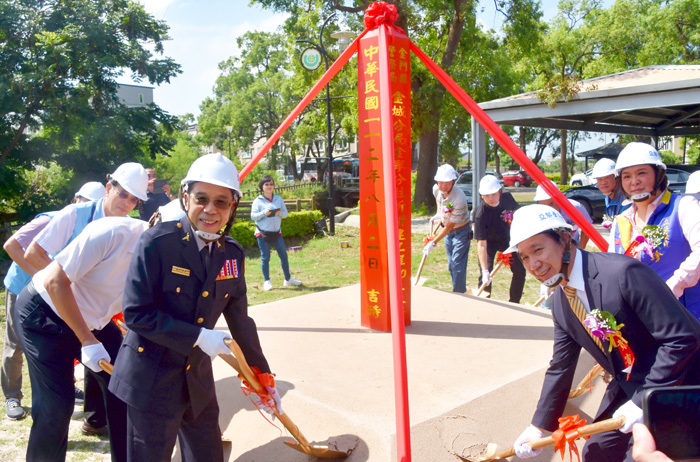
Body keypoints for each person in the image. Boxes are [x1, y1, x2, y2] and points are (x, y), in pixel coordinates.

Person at [109, 154, 281, 462]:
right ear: (185, 197)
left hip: (197, 380)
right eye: (202, 199)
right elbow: (137, 314)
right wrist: (199, 336)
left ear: (233, 207)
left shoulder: (231, 254)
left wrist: (263, 377)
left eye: (222, 202)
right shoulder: (157, 243)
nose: (210, 210)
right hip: (150, 379)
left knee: (207, 455)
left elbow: (240, 320)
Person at [507, 204, 700, 462]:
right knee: (598, 452)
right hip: (631, 385)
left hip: (681, 382)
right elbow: (561, 366)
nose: (534, 264)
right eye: (524, 257)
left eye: (537, 249)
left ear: (565, 238)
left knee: (639, 457)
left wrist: (645, 398)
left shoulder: (622, 274)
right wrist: (538, 426)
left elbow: (683, 337)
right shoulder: (562, 305)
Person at [23, 162, 148, 436]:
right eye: (123, 193)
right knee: (56, 406)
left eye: (134, 199)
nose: (127, 202)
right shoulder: (74, 215)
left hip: (93, 316)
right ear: (108, 187)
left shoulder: (128, 231)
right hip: (52, 309)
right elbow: (33, 254)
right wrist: (68, 293)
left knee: (121, 379)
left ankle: (96, 419)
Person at [16, 216, 148, 462]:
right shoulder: (111, 232)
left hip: (95, 320)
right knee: (55, 408)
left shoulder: (169, 256)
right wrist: (87, 340)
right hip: (45, 314)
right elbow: (54, 281)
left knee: (125, 390)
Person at [1, 181, 105, 420]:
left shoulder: (91, 226)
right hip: (22, 286)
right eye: (85, 203)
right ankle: (12, 396)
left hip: (50, 291)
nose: (88, 209)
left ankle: (66, 387)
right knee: (16, 344)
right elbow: (12, 245)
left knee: (59, 340)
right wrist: (44, 275)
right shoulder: (50, 219)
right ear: (75, 200)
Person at [608, 142, 700, 320]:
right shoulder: (620, 221)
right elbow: (613, 271)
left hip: (688, 319)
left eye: (641, 173)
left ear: (658, 174)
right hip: (644, 322)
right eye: (626, 176)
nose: (634, 181)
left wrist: (672, 288)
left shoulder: (683, 206)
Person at [473, 175, 526, 303]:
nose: (491, 198)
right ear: (481, 195)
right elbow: (481, 244)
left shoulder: (507, 199)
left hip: (509, 241)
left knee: (520, 271)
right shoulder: (480, 214)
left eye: (494, 194)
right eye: (487, 195)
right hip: (489, 243)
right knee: (486, 274)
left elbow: (519, 216)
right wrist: (485, 270)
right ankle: (484, 303)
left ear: (500, 192)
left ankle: (514, 302)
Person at [423, 164, 471, 293]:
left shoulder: (459, 197)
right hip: (448, 232)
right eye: (441, 182)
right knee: (451, 265)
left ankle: (459, 293)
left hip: (461, 230)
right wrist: (440, 214)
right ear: (437, 181)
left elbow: (450, 226)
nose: (443, 186)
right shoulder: (436, 189)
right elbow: (440, 201)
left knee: (457, 263)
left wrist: (433, 242)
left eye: (447, 183)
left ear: (453, 181)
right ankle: (458, 289)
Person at [250, 175, 302, 291]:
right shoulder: (257, 201)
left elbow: (285, 213)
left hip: (277, 233)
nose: (269, 186)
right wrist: (264, 212)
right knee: (265, 258)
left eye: (271, 184)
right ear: (262, 187)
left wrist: (278, 212)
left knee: (284, 255)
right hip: (262, 233)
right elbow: (253, 217)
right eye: (266, 184)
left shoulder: (278, 199)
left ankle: (288, 279)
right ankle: (267, 281)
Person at [534, 180, 593, 249]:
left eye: (551, 203)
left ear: (559, 200)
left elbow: (588, 228)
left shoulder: (575, 208)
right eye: (543, 205)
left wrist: (581, 249)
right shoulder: (536, 215)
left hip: (573, 244)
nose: (548, 209)